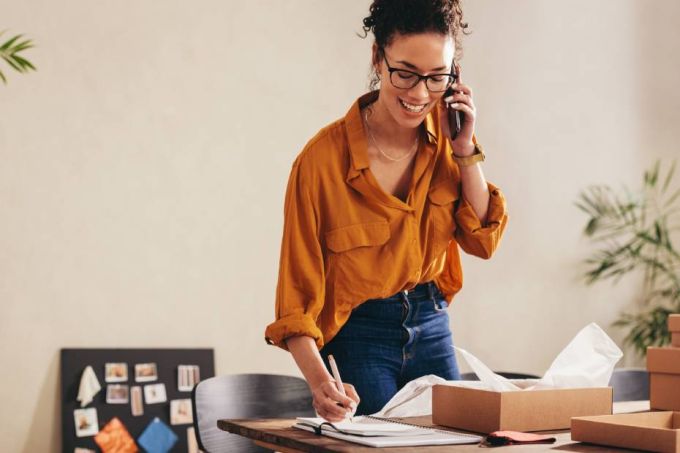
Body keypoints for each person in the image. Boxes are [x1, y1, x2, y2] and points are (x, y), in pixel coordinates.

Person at [265, 0, 508, 421]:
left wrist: (466, 149)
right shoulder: (321, 163)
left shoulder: (448, 143)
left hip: (431, 322)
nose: (418, 94)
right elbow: (296, 302)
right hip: (360, 334)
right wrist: (321, 382)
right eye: (405, 73)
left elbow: (483, 240)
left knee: (457, 446)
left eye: (437, 78)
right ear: (378, 57)